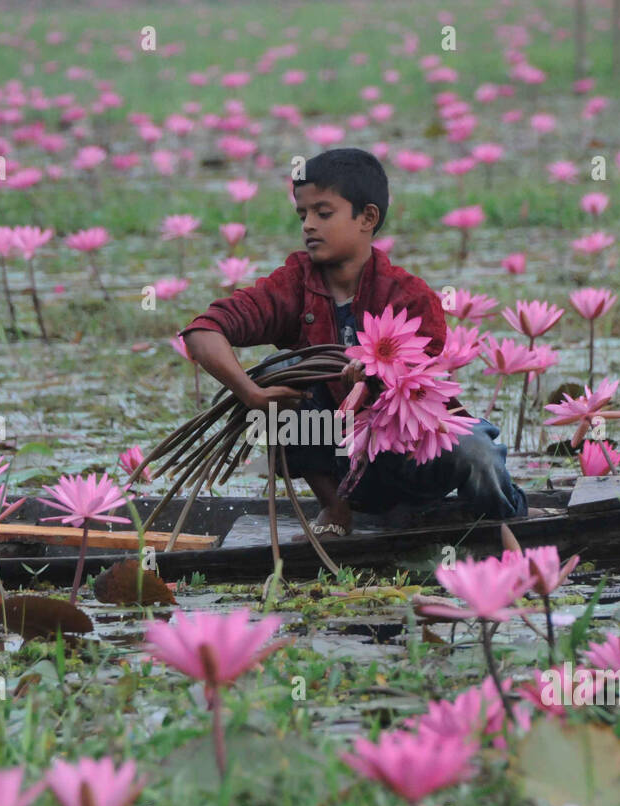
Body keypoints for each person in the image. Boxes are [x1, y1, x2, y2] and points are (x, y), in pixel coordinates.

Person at [179, 147, 526, 540]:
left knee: (477, 453)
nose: (308, 225)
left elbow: (416, 385)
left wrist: (371, 382)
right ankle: (335, 506)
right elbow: (203, 332)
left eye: (323, 213)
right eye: (302, 215)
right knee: (280, 371)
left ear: (368, 218)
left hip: (411, 449)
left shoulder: (411, 297)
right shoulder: (293, 282)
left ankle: (504, 525)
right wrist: (251, 394)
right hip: (340, 457)